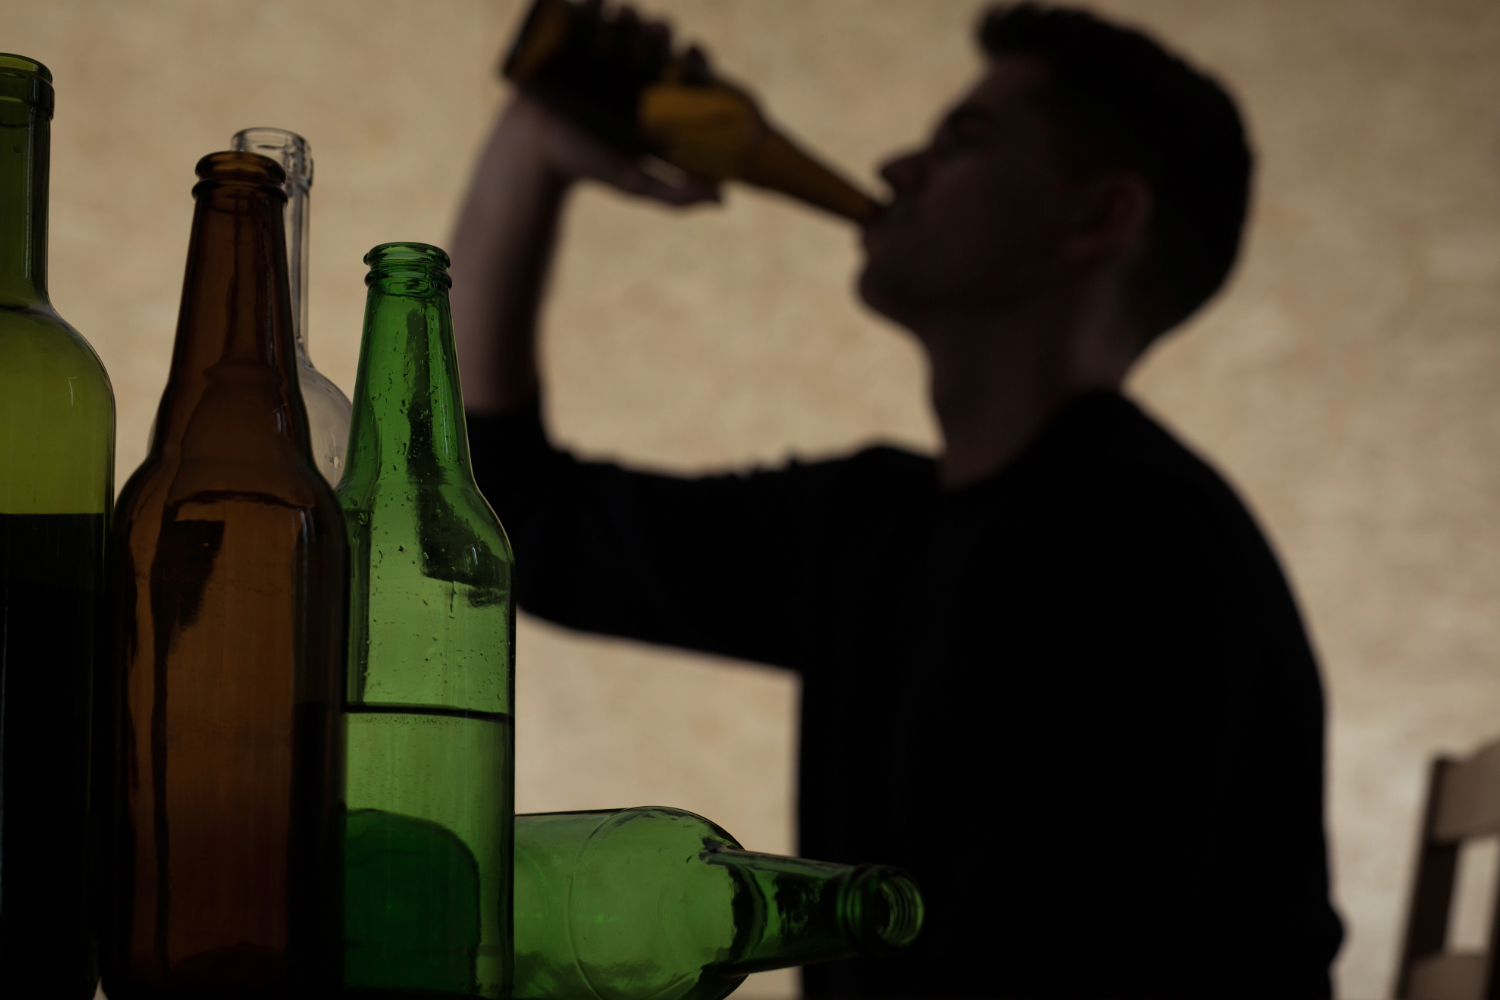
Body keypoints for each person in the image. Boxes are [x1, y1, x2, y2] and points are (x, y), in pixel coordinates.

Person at [451, 3, 1344, 997]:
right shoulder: (873, 526)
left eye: (964, 141)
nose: (894, 167)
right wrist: (531, 149)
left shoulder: (1144, 559)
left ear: (1098, 217)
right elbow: (518, 519)